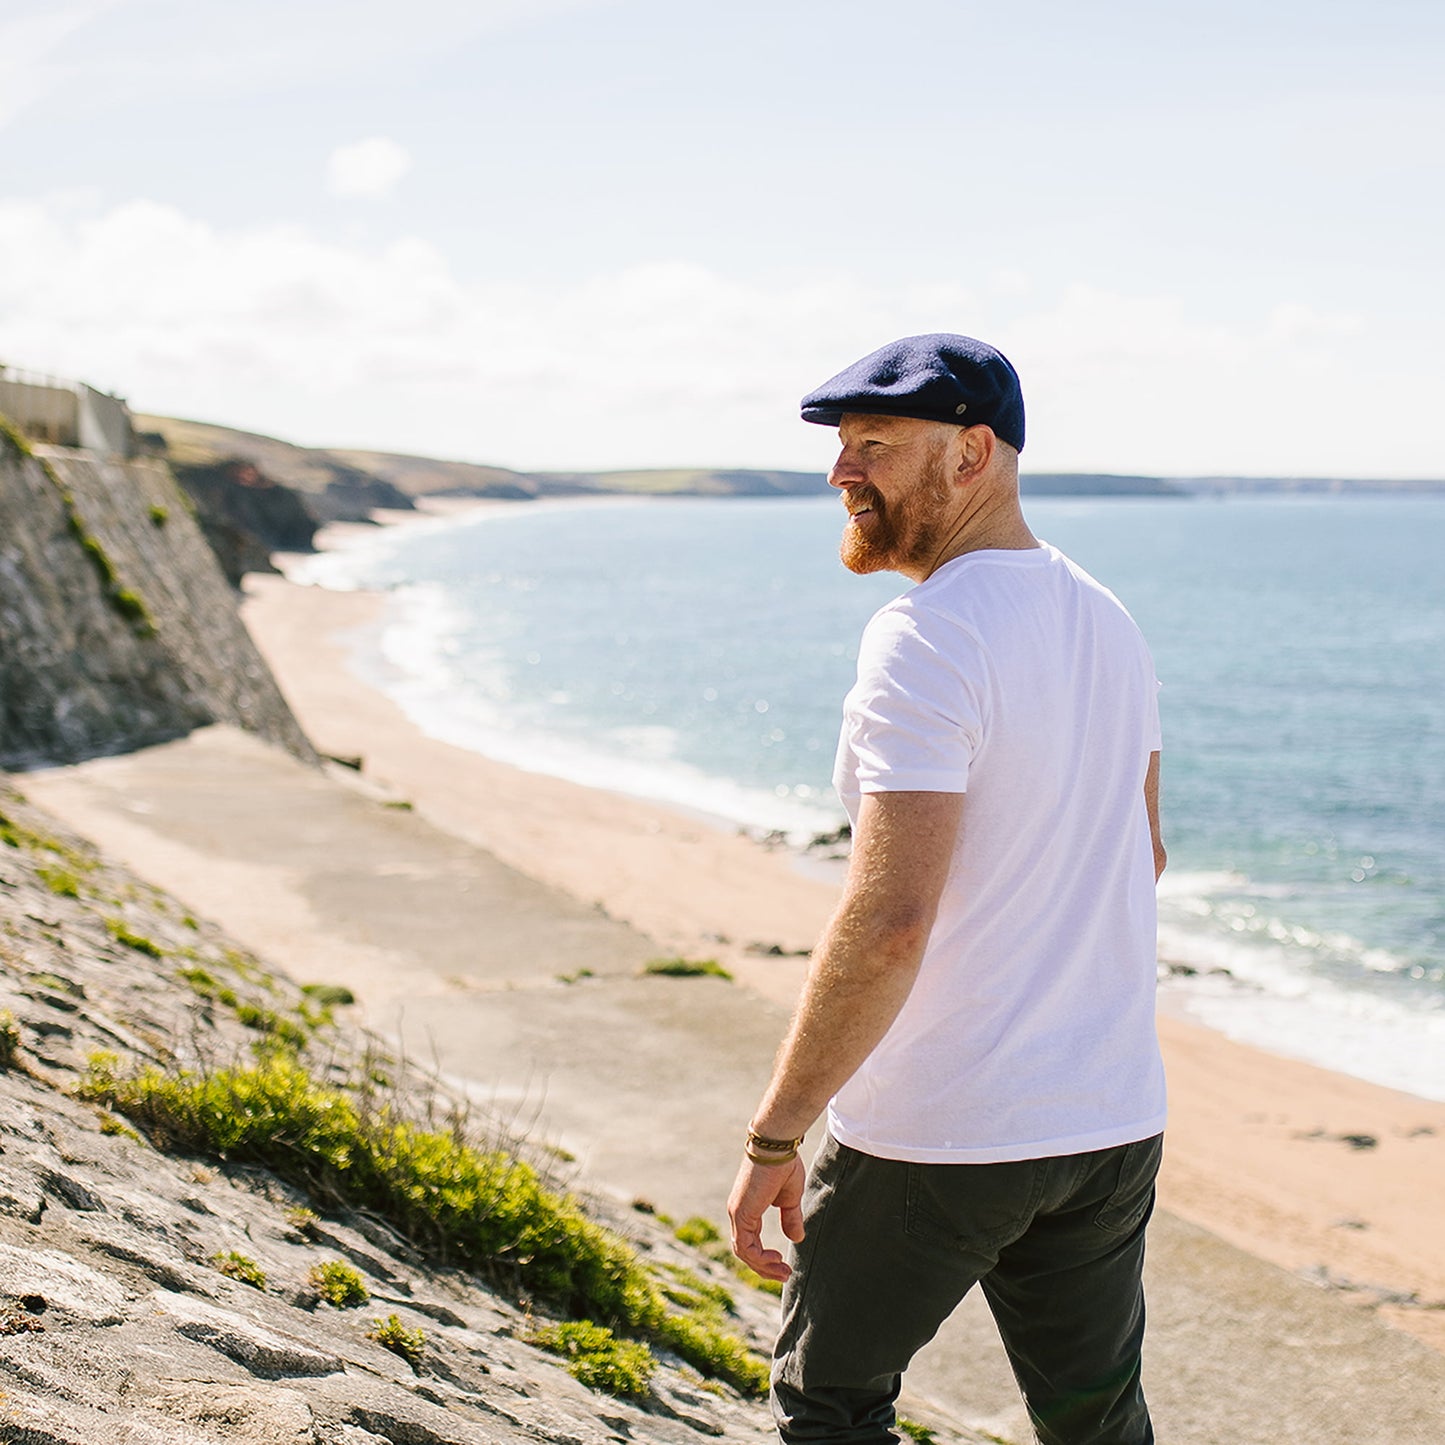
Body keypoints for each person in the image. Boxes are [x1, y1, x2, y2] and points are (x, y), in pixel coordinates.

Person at [727, 334, 1167, 1445]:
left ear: (971, 453)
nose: (841, 473)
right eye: (841, 447)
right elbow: (1142, 855)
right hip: (1106, 1118)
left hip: (941, 1130)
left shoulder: (925, 636)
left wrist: (775, 1135)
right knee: (1095, 1420)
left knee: (827, 1405)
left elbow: (888, 921)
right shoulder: (1107, 620)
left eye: (873, 444)